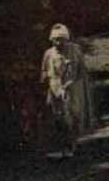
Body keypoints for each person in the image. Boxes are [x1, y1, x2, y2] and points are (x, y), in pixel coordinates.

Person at [40, 24, 94, 159]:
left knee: (71, 117)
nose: (58, 42)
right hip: (54, 89)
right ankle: (59, 147)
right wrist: (45, 80)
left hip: (72, 88)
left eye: (61, 39)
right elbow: (44, 71)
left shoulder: (75, 51)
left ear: (67, 39)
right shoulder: (48, 53)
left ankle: (71, 146)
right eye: (55, 39)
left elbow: (81, 71)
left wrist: (69, 84)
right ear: (51, 40)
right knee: (56, 118)